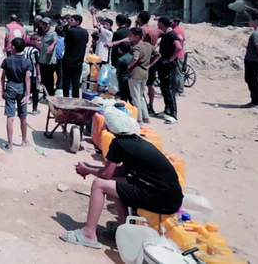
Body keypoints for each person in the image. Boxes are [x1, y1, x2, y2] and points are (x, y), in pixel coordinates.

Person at [60, 108, 183, 249]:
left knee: (99, 184)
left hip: (161, 198)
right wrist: (89, 167)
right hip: (170, 197)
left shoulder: (118, 144)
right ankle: (126, 230)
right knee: (116, 183)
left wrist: (87, 170)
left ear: (107, 127)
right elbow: (121, 170)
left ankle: (88, 234)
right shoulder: (134, 141)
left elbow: (106, 174)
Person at [1, 38, 33, 152]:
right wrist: (28, 94)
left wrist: (3, 90)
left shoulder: (7, 60)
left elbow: (3, 77)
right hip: (22, 89)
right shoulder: (27, 62)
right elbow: (27, 78)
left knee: (10, 116)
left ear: (13, 47)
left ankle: (10, 145)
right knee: (23, 116)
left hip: (10, 87)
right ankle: (24, 140)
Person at [150, 17, 182, 124]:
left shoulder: (171, 35)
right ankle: (167, 110)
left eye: (158, 23)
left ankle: (173, 114)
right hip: (163, 66)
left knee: (169, 89)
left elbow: (178, 47)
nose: (157, 25)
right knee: (164, 88)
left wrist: (169, 59)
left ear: (162, 23)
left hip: (169, 66)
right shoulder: (165, 34)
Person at [128, 27, 159, 124]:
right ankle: (146, 117)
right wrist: (150, 65)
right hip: (145, 73)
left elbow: (135, 57)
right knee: (141, 96)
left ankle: (139, 119)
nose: (129, 37)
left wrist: (129, 66)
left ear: (137, 37)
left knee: (135, 97)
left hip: (135, 73)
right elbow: (158, 55)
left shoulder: (137, 47)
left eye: (130, 35)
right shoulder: (148, 45)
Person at [136, 11, 160, 116]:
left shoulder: (142, 30)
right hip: (152, 57)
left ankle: (142, 107)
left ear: (140, 19)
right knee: (151, 84)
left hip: (143, 58)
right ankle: (151, 106)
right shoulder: (154, 30)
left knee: (139, 84)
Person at [63, 14, 89, 98]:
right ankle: (75, 98)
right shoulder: (85, 32)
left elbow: (65, 43)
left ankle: (66, 98)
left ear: (77, 22)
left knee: (66, 81)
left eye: (71, 20)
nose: (69, 21)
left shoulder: (70, 31)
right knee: (76, 82)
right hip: (79, 61)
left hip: (68, 60)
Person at [39, 18, 59, 96]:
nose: (44, 26)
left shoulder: (52, 33)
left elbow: (56, 40)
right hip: (42, 60)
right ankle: (45, 94)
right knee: (43, 80)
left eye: (46, 24)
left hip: (49, 61)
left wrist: (52, 45)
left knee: (49, 80)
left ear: (49, 25)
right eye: (43, 24)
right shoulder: (44, 33)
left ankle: (50, 95)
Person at [24, 35, 42, 114]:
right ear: (32, 41)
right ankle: (35, 109)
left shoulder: (24, 49)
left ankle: (22, 108)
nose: (40, 42)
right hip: (33, 74)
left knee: (25, 91)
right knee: (35, 92)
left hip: (25, 74)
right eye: (38, 41)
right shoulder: (35, 51)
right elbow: (37, 64)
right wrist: (39, 74)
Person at [171, 18, 186, 97]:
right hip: (180, 54)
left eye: (172, 21)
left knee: (178, 73)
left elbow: (180, 39)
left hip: (177, 54)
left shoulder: (176, 31)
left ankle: (179, 90)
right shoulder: (180, 30)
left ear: (176, 23)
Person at [55, 24, 66, 91]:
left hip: (54, 59)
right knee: (60, 75)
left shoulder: (54, 40)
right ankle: (58, 88)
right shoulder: (64, 40)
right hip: (61, 59)